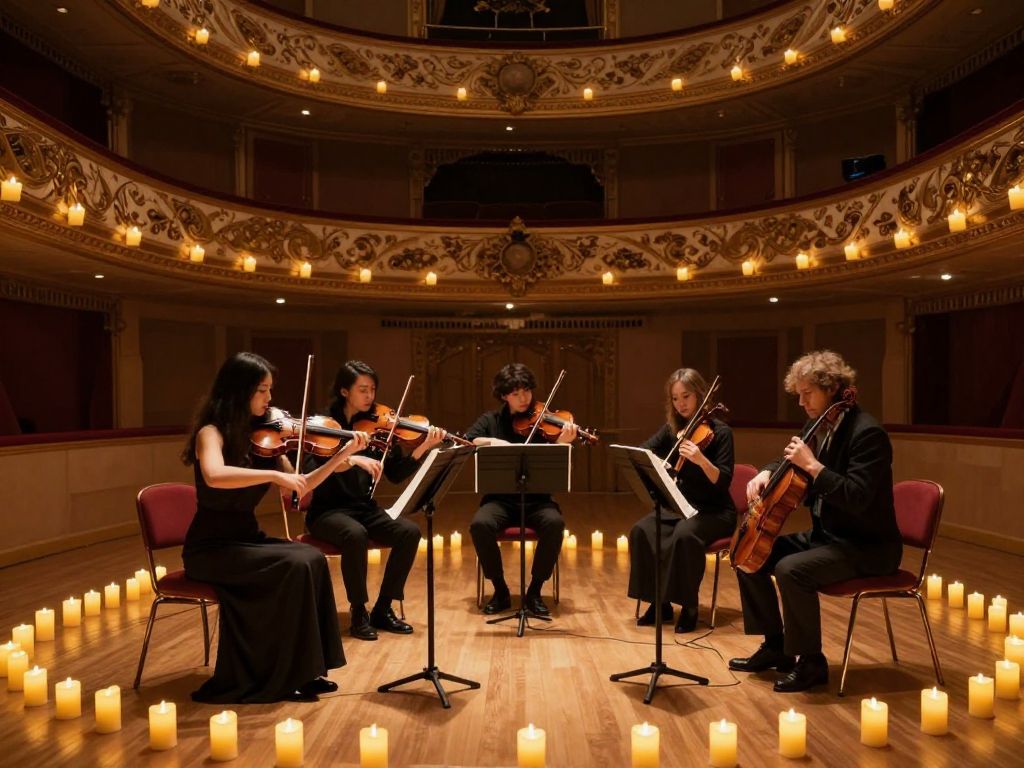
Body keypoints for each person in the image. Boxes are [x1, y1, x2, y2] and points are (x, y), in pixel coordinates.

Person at [182, 352, 364, 703]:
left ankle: (306, 670)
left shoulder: (265, 440)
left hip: (246, 540)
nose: (270, 398)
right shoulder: (211, 433)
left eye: (269, 390)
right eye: (262, 390)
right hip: (211, 549)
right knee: (292, 565)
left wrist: (342, 455)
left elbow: (302, 486)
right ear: (239, 391)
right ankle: (277, 676)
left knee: (312, 558)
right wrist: (273, 474)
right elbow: (214, 475)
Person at [728, 350, 902, 693]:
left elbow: (857, 497)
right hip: (829, 535)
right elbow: (788, 457)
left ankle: (811, 663)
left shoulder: (867, 434)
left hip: (867, 546)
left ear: (832, 388)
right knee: (747, 553)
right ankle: (776, 647)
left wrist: (813, 467)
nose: (801, 402)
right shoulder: (818, 424)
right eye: (799, 394)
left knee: (792, 570)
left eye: (808, 393)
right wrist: (766, 471)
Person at [306, 361, 445, 641]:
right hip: (327, 511)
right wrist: (351, 457)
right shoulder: (325, 425)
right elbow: (311, 470)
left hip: (363, 508)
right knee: (355, 534)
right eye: (363, 390)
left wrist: (424, 447)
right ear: (344, 391)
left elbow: (395, 474)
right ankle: (359, 612)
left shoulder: (379, 427)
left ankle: (383, 608)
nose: (370, 396)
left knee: (409, 532)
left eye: (372, 389)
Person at [627, 368, 735, 633]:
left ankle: (689, 606)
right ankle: (660, 602)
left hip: (714, 511)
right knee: (641, 530)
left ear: (699, 394)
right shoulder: (674, 429)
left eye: (686, 396)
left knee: (685, 536)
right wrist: (657, 462)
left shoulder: (721, 432)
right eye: (675, 398)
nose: (681, 404)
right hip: (681, 507)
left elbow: (723, 480)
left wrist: (701, 460)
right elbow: (644, 450)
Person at [465, 363, 576, 616]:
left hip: (538, 501)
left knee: (555, 523)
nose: (524, 398)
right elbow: (468, 439)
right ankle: (500, 590)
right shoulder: (491, 421)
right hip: (500, 501)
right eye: (516, 393)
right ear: (504, 396)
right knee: (480, 525)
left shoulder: (545, 421)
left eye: (526, 390)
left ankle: (534, 591)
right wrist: (492, 441)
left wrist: (562, 445)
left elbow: (563, 469)